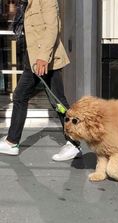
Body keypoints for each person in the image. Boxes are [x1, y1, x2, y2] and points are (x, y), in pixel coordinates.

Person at [0, 0, 82, 161]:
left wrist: (43, 58)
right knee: (55, 101)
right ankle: (74, 143)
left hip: (43, 60)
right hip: (34, 58)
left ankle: (12, 142)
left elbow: (53, 28)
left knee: (40, 99)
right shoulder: (28, 2)